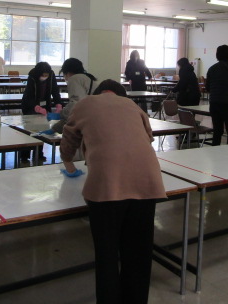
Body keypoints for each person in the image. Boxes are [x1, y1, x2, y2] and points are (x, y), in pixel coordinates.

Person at [59, 79, 166, 304]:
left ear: (99, 93)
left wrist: (68, 161)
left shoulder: (85, 103)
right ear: (120, 95)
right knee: (138, 254)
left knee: (107, 256)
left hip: (107, 185)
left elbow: (69, 137)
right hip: (146, 182)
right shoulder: (132, 106)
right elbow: (148, 137)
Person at [19, 61, 62, 162]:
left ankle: (38, 153)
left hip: (45, 105)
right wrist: (36, 107)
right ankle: (24, 155)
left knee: (43, 129)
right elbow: (29, 95)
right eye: (43, 75)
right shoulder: (32, 76)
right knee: (30, 130)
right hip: (30, 106)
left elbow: (55, 90)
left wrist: (58, 103)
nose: (45, 77)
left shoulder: (51, 75)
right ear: (39, 73)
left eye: (47, 75)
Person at [50, 57, 97, 134]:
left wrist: (60, 114)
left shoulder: (74, 79)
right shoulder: (87, 78)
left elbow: (76, 104)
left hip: (88, 118)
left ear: (67, 72)